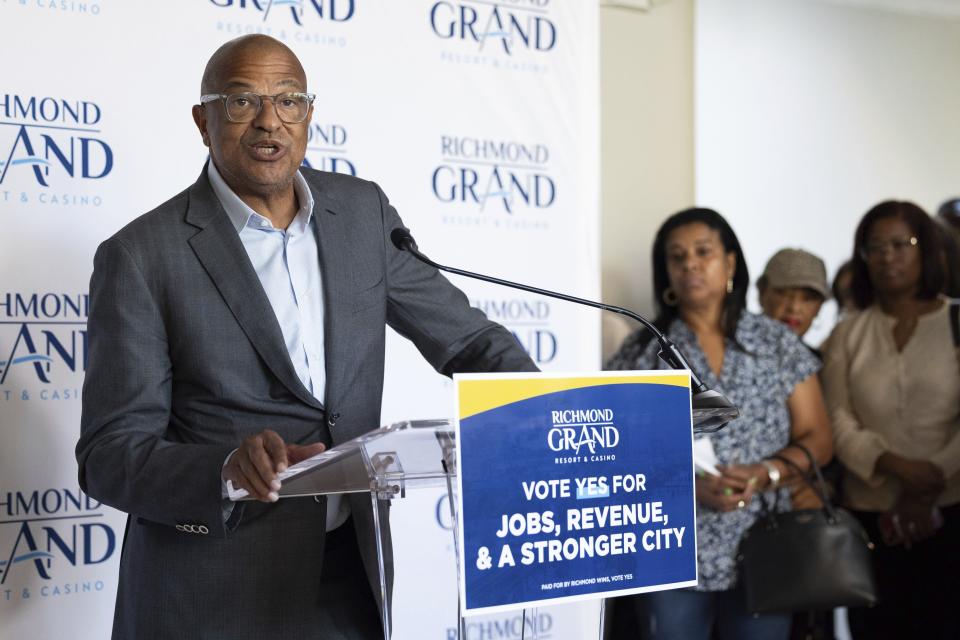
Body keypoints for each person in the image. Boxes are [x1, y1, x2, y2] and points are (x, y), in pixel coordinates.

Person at [75, 35, 536, 640]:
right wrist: (225, 470)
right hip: (210, 587)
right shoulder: (141, 256)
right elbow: (109, 455)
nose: (270, 121)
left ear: (309, 113)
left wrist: (552, 410)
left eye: (289, 100)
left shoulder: (362, 214)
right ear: (203, 120)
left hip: (348, 574)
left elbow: (470, 341)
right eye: (241, 102)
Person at [606, 208, 832, 640]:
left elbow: (818, 437)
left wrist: (764, 474)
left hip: (765, 544)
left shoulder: (775, 341)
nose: (690, 264)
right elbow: (614, 449)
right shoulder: (639, 352)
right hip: (671, 547)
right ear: (667, 273)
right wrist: (687, 487)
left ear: (730, 263)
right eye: (677, 257)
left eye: (703, 252)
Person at [821, 200, 959, 640]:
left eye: (901, 243)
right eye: (875, 246)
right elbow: (837, 421)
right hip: (871, 516)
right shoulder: (848, 332)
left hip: (951, 510)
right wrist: (899, 469)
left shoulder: (956, 319)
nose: (887, 256)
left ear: (928, 250)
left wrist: (930, 482)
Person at [756, 248, 830, 355]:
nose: (794, 308)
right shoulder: (728, 349)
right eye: (784, 294)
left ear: (819, 306)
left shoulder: (819, 366)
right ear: (762, 293)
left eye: (808, 299)